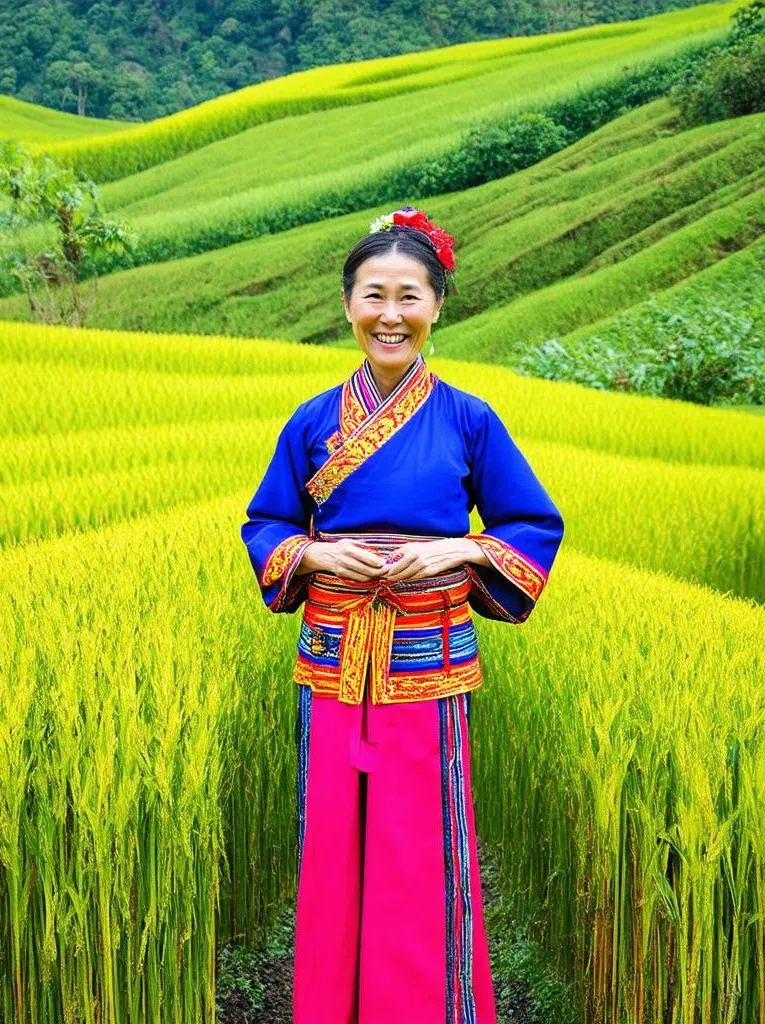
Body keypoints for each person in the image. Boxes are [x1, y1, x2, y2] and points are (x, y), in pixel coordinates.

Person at [240, 205, 565, 1024]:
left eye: (409, 296)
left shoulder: (469, 418)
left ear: (437, 306)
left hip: (429, 662)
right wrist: (311, 555)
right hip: (335, 658)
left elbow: (532, 524)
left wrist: (460, 552)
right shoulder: (312, 421)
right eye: (374, 295)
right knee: (336, 844)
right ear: (348, 304)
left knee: (420, 846)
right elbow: (268, 523)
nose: (391, 315)